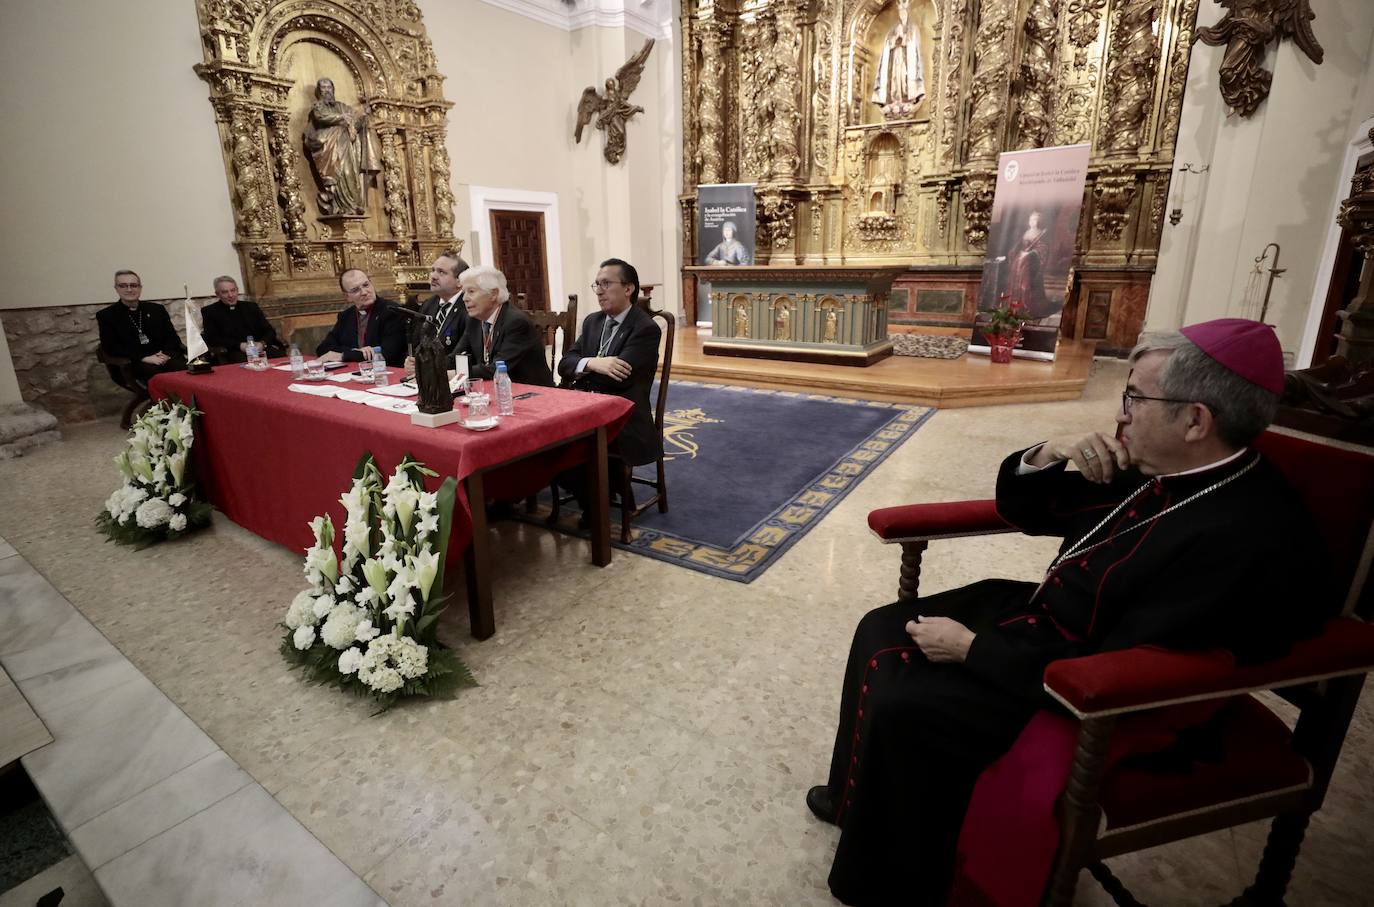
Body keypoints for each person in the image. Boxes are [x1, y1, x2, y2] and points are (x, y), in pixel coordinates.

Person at [808, 318, 1323, 907]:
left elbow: (1130, 660)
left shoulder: (1247, 535)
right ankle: (853, 801)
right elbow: (1026, 507)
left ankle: (897, 883)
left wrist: (973, 649)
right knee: (879, 625)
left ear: (1196, 420)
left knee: (911, 702)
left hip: (1084, 673)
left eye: (1134, 396)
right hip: (1044, 618)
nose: (1121, 413)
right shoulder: (1156, 463)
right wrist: (1048, 452)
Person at [559, 258, 663, 468]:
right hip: (584, 411)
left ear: (628, 288)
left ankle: (605, 495)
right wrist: (593, 363)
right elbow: (564, 365)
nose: (598, 291)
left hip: (622, 420)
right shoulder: (593, 321)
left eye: (606, 284)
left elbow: (617, 380)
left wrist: (580, 366)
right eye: (597, 284)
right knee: (542, 444)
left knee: (566, 454)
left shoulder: (645, 329)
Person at [451, 266, 554, 386]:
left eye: (471, 292)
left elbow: (497, 369)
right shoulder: (474, 320)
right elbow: (455, 357)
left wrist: (455, 374)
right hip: (494, 389)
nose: (464, 299)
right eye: (464, 293)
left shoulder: (516, 323)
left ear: (493, 294)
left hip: (530, 392)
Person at [303, 77, 379, 216]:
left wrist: (363, 116)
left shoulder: (342, 106)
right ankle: (338, 205)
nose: (327, 90)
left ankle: (353, 206)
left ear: (333, 89)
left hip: (346, 148)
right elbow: (321, 117)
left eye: (329, 87)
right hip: (329, 148)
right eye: (323, 88)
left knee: (350, 174)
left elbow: (354, 125)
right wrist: (341, 118)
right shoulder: (319, 106)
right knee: (337, 178)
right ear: (319, 91)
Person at [96, 270, 186, 383]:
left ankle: (188, 400)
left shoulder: (156, 310)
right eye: (123, 286)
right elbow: (111, 346)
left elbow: (171, 337)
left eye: (133, 285)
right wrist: (144, 358)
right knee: (158, 378)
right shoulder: (107, 315)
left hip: (164, 357)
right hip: (135, 362)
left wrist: (166, 354)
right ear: (116, 288)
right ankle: (169, 401)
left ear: (140, 288)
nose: (129, 289)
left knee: (185, 371)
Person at [315, 269, 407, 367]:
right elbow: (323, 349)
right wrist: (355, 352)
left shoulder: (392, 311)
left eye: (366, 285)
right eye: (355, 290)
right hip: (354, 374)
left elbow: (388, 353)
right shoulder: (346, 316)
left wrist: (344, 355)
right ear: (347, 297)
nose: (364, 292)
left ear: (371, 284)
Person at [404, 251, 469, 376]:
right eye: (433, 270)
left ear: (459, 281)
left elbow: (462, 353)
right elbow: (417, 341)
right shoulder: (429, 304)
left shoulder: (468, 306)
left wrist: (426, 366)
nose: (433, 276)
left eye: (441, 272)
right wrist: (412, 361)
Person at [200, 275, 284, 363]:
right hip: (233, 351)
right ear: (217, 294)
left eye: (233, 290)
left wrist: (262, 343)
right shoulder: (210, 311)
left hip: (259, 349)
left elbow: (269, 330)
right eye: (225, 292)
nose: (230, 295)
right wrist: (239, 345)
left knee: (280, 357)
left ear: (237, 290)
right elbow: (212, 338)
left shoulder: (251, 307)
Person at [871, 0, 924, 115]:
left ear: (907, 13)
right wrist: (895, 39)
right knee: (895, 78)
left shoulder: (912, 28)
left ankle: (905, 98)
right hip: (895, 58)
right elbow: (887, 44)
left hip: (907, 60)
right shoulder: (893, 29)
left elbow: (914, 46)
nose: (902, 15)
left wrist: (904, 38)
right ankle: (895, 99)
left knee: (903, 78)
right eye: (900, 12)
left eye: (904, 12)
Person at [1006, 209, 1052, 320]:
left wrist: (1031, 253)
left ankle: (1027, 305)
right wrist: (1013, 251)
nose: (1032, 222)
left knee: (1026, 283)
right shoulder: (1026, 232)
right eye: (1031, 219)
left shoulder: (1041, 233)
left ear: (1039, 221)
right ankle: (1015, 306)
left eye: (1035, 219)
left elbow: (1043, 249)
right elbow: (1019, 245)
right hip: (1020, 260)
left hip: (1031, 262)